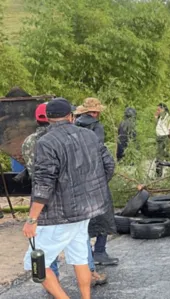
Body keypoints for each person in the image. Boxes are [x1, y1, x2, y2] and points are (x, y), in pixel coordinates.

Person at [22, 98, 115, 299]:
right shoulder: (90, 136)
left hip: (58, 215)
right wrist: (91, 189)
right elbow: (109, 165)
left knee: (34, 262)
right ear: (71, 116)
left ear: (48, 119)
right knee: (80, 256)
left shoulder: (46, 142)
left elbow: (44, 183)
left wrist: (31, 219)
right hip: (86, 210)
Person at [75, 97, 118, 267]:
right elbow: (101, 155)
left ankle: (85, 255)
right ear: (95, 112)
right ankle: (100, 251)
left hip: (77, 180)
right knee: (104, 215)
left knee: (82, 219)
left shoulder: (73, 126)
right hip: (95, 178)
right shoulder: (96, 127)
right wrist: (103, 180)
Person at [155, 103, 170, 177]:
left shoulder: (168, 117)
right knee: (160, 156)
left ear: (163, 109)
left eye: (158, 109)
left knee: (159, 157)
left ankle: (159, 175)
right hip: (159, 138)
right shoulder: (160, 117)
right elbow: (158, 126)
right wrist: (156, 117)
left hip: (164, 138)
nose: (157, 111)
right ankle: (160, 173)